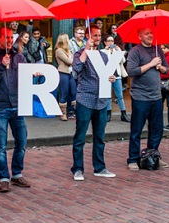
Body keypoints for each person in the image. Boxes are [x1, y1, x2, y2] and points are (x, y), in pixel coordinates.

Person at [0, 27, 31, 193]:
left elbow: (24, 79)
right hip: (0, 105)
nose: (10, 40)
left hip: (18, 104)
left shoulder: (19, 57)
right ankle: (3, 178)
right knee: (1, 145)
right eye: (6, 37)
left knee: (22, 141)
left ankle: (17, 174)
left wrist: (34, 75)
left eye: (12, 37)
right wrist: (0, 67)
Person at [71, 25, 117, 181]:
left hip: (101, 100)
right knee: (80, 136)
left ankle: (100, 167)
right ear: (87, 36)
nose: (96, 39)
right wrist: (86, 48)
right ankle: (77, 169)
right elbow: (76, 68)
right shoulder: (79, 54)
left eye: (98, 36)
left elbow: (111, 75)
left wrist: (111, 78)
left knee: (100, 136)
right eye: (94, 36)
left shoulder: (104, 57)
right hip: (85, 99)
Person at [125, 28, 169, 171]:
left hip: (156, 96)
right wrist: (150, 64)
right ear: (139, 36)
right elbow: (131, 71)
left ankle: (152, 156)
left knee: (156, 129)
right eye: (146, 34)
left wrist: (160, 66)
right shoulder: (135, 51)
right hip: (140, 97)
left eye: (151, 33)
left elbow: (167, 69)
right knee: (137, 129)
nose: (150, 36)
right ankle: (133, 159)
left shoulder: (158, 50)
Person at [101, 35, 129, 123]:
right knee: (108, 96)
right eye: (108, 41)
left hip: (117, 75)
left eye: (112, 41)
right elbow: (104, 61)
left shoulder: (117, 51)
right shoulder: (102, 51)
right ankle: (108, 113)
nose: (111, 43)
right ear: (105, 42)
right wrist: (107, 50)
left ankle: (123, 113)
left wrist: (118, 51)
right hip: (107, 76)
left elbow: (123, 61)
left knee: (119, 96)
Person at [54, 34, 76, 121]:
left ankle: (75, 111)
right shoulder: (59, 51)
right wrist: (73, 60)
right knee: (64, 93)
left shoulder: (68, 51)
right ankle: (63, 113)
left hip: (70, 73)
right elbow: (69, 61)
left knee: (74, 92)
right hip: (63, 73)